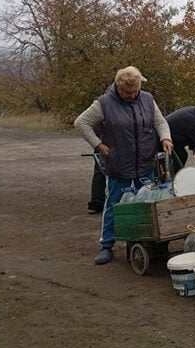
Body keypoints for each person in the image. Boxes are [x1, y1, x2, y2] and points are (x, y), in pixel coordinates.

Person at [74, 66, 173, 265]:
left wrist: (165, 138)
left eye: (135, 91)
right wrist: (98, 144)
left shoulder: (146, 98)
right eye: (127, 92)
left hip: (146, 162)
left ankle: (147, 242)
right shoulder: (104, 103)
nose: (132, 95)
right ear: (117, 86)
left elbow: (160, 122)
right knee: (114, 205)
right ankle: (107, 245)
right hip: (119, 164)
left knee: (148, 204)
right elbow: (81, 123)